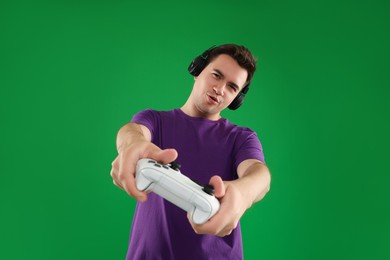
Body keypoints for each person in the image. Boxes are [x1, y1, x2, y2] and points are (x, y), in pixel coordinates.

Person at [110, 44, 271, 259]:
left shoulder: (242, 138)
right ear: (197, 70)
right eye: (216, 75)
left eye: (232, 87)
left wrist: (244, 192)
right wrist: (131, 144)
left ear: (237, 99)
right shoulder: (154, 120)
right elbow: (133, 132)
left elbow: (259, 174)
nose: (220, 89)